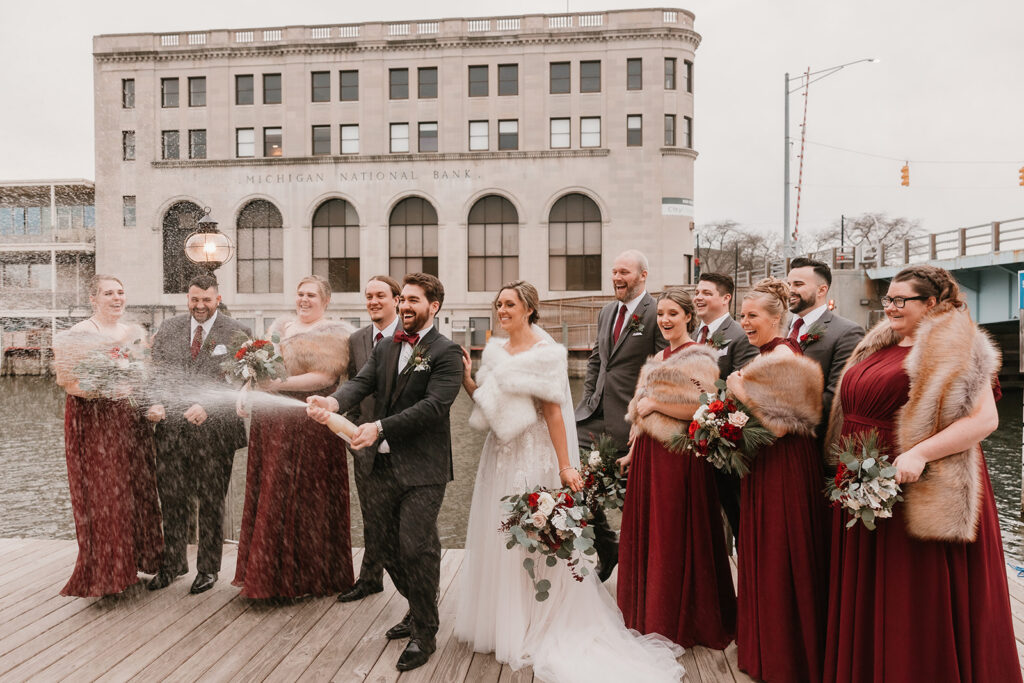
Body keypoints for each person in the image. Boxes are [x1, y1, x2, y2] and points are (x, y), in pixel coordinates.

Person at [455, 280, 686, 683]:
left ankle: (540, 618)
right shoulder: (496, 350)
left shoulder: (544, 353)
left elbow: (555, 414)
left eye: (509, 304)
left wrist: (565, 467)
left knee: (536, 538)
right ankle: (507, 620)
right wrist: (466, 379)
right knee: (500, 534)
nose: (501, 310)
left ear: (529, 308)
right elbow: (490, 406)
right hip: (500, 454)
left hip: (534, 455)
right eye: (498, 304)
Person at [823, 265, 1020, 683]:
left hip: (915, 484)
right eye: (887, 300)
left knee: (913, 596)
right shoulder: (880, 343)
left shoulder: (956, 345)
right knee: (873, 589)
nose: (890, 308)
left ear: (931, 303)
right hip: (863, 480)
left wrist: (919, 454)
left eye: (900, 301)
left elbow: (985, 420)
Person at [306, 273, 463, 673]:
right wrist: (332, 402)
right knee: (387, 547)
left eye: (414, 300)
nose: (406, 306)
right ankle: (417, 607)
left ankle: (425, 632)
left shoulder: (446, 352)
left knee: (416, 546)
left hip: (422, 468)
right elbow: (360, 383)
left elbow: (433, 407)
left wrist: (379, 427)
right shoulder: (388, 345)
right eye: (404, 299)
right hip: (379, 463)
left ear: (434, 307)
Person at [616, 287, 736, 649]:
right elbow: (641, 412)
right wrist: (633, 449)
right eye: (661, 314)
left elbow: (704, 408)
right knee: (650, 533)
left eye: (673, 314)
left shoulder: (699, 357)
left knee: (673, 534)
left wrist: (656, 406)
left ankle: (677, 618)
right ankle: (647, 614)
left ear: (688, 317)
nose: (665, 320)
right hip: (650, 457)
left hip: (680, 459)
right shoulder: (658, 357)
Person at [725, 277, 828, 683]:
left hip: (783, 467)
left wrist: (737, 390)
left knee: (779, 550)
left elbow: (782, 427)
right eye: (742, 315)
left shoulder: (783, 354)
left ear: (776, 317)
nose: (744, 322)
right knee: (762, 550)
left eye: (752, 316)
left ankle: (784, 654)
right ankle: (763, 643)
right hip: (765, 465)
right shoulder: (768, 353)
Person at [233, 275, 354, 599]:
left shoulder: (336, 333)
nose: (303, 300)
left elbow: (325, 377)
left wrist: (277, 386)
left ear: (325, 300)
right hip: (271, 422)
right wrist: (247, 388)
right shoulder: (281, 327)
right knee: (270, 489)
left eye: (311, 295)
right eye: (300, 293)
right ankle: (266, 574)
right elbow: (259, 368)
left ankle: (303, 578)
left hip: (308, 421)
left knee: (304, 493)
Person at [53, 274, 163, 597]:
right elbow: (69, 382)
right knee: (106, 492)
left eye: (120, 292)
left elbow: (145, 376)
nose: (117, 298)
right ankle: (107, 573)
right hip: (95, 421)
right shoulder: (80, 334)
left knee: (137, 486)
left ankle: (136, 560)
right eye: (108, 293)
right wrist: (105, 386)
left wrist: (148, 400)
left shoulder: (134, 333)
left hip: (131, 421)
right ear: (93, 299)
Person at [146, 273, 249, 594]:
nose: (200, 306)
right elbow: (156, 372)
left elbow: (244, 381)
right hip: (172, 429)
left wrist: (209, 406)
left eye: (206, 300)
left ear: (218, 299)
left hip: (215, 431)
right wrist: (155, 402)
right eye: (194, 300)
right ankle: (173, 563)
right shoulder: (169, 328)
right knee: (173, 499)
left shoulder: (238, 332)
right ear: (187, 299)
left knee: (211, 501)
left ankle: (208, 568)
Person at [574, 250, 666, 580]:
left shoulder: (656, 313)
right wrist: (587, 400)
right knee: (576, 481)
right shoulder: (606, 311)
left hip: (629, 421)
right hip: (592, 416)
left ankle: (639, 570)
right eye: (614, 271)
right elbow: (598, 361)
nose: (616, 277)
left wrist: (645, 418)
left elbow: (659, 371)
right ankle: (606, 545)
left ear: (643, 275)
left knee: (631, 498)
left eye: (623, 271)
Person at [336, 274, 401, 604]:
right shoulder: (358, 338)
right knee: (372, 517)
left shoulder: (412, 337)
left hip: (401, 441)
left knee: (407, 525)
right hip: (363, 444)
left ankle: (415, 593)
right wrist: (351, 429)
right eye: (369, 296)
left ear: (396, 300)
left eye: (380, 296)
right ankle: (370, 578)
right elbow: (354, 384)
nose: (373, 301)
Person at [692, 272, 758, 544]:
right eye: (697, 292)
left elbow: (743, 387)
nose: (699, 297)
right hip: (695, 436)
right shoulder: (695, 333)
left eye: (707, 293)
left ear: (725, 298)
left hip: (723, 441)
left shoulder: (739, 336)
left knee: (736, 510)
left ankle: (748, 571)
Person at [785, 257, 864, 419]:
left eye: (798, 284)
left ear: (821, 290)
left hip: (810, 434)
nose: (790, 290)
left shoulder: (847, 332)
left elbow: (836, 397)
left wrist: (778, 413)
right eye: (788, 284)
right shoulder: (783, 328)